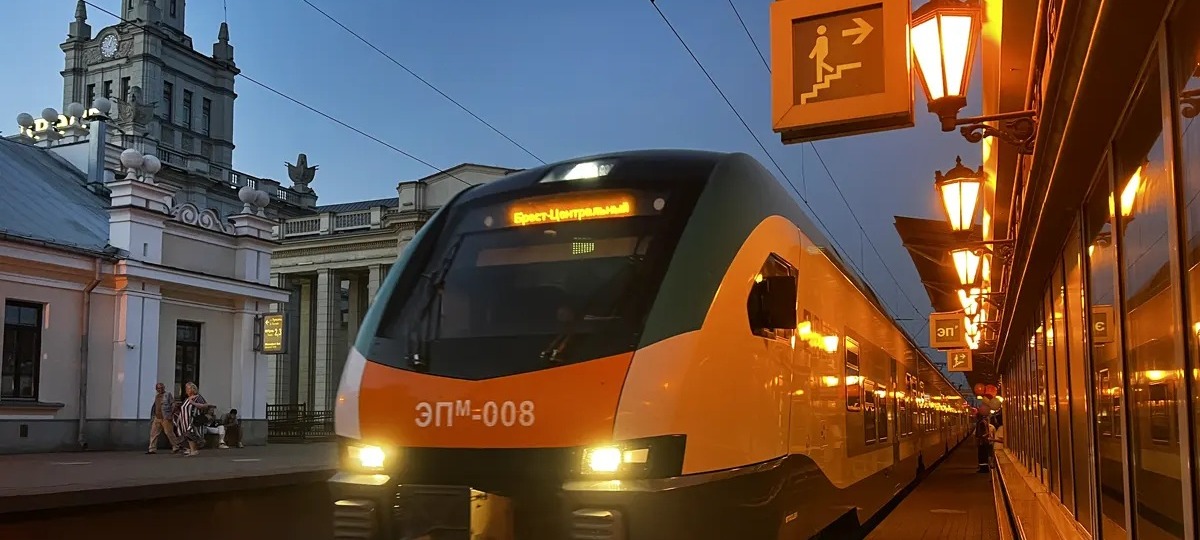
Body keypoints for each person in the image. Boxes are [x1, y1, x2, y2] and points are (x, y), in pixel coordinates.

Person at [178, 382, 218, 456]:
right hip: (184, 420)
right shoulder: (187, 398)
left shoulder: (198, 397)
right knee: (186, 434)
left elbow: (205, 406)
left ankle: (194, 450)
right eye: (186, 389)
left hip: (193, 419)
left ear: (193, 389)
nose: (186, 390)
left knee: (191, 433)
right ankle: (190, 449)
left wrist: (193, 403)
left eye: (188, 388)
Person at [146, 382, 181, 454]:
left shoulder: (168, 395)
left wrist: (171, 414)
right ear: (156, 389)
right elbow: (155, 406)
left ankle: (176, 446)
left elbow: (173, 404)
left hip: (165, 417)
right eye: (158, 388)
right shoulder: (157, 396)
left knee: (169, 433)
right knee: (153, 433)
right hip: (157, 417)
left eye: (162, 388)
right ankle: (152, 449)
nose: (160, 389)